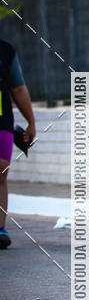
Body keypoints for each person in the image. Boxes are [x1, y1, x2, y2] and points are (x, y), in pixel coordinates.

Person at [0, 38, 36, 249]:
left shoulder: (6, 50)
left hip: (2, 115)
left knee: (2, 168)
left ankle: (0, 228)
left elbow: (19, 89)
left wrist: (30, 122)